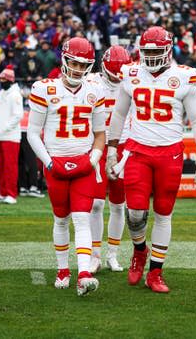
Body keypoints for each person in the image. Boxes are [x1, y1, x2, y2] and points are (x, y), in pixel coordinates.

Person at [106, 26, 196, 293]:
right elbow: (118, 115)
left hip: (170, 153)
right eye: (147, 51)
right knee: (135, 212)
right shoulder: (131, 74)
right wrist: (111, 149)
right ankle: (139, 251)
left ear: (168, 50)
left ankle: (155, 272)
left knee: (164, 214)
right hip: (138, 151)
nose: (151, 56)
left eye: (156, 51)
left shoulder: (184, 77)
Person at [27, 37, 105, 296]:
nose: (78, 69)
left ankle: (83, 273)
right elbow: (32, 133)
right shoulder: (44, 89)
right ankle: (63, 270)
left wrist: (91, 161)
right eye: (74, 62)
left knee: (82, 218)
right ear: (64, 59)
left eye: (84, 65)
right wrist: (48, 162)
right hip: (56, 164)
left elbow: (100, 134)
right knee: (61, 220)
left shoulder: (94, 90)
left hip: (83, 163)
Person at [88, 45, 130, 273]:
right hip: (99, 144)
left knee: (118, 204)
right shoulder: (92, 82)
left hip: (122, 145)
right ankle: (94, 254)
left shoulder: (131, 82)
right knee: (95, 203)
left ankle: (112, 254)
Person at [0, 66, 23, 204]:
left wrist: (4, 128)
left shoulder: (15, 94)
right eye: (0, 79)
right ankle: (3, 192)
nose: (1, 81)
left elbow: (18, 115)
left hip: (11, 136)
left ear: (10, 80)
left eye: (4, 79)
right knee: (1, 166)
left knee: (10, 167)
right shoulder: (2, 93)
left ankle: (11, 194)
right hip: (1, 135)